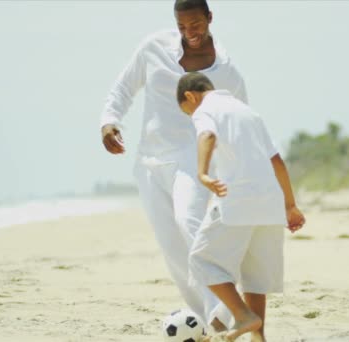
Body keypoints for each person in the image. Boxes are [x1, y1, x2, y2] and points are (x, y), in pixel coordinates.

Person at [99, 0, 247, 331]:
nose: (189, 33)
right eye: (182, 27)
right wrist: (109, 120)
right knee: (172, 248)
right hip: (149, 161)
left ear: (210, 18)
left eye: (195, 25)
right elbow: (124, 86)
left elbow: (240, 123)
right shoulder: (154, 48)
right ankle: (211, 323)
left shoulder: (227, 72)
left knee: (189, 222)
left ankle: (227, 311)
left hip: (192, 158)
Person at [176, 72, 306, 342]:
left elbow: (207, 136)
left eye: (187, 112)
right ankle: (258, 339)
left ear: (191, 96)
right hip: (269, 203)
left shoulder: (205, 109)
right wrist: (290, 205)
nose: (192, 116)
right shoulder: (248, 113)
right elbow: (276, 160)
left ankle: (243, 316)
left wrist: (202, 173)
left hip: (236, 199)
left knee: (201, 260)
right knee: (254, 277)